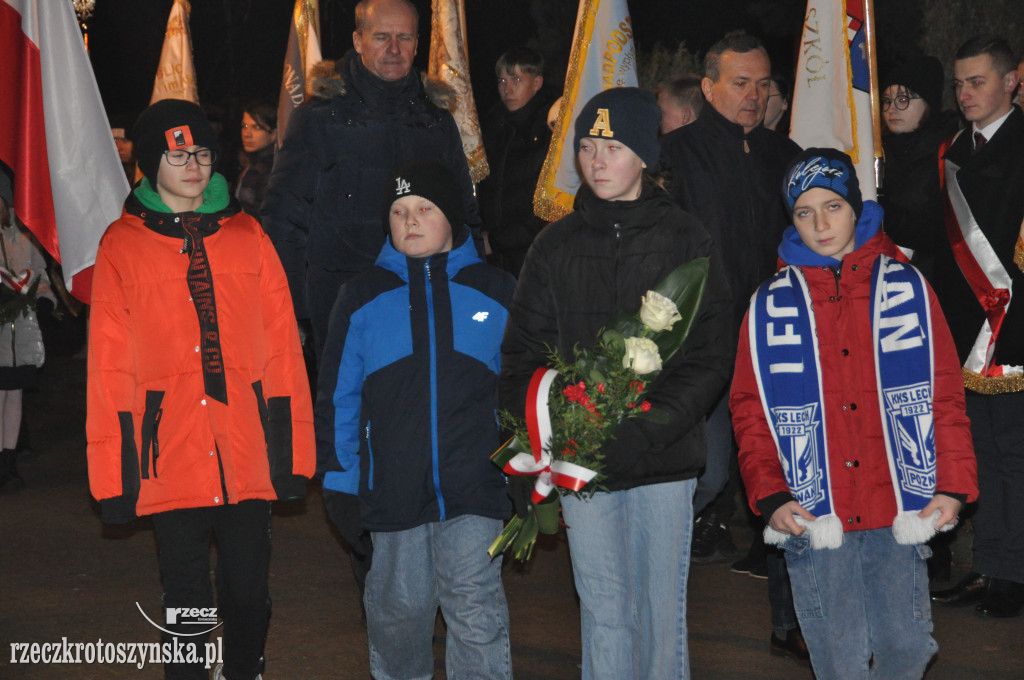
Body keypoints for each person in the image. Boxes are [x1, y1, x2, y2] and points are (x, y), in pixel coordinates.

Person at [501, 87, 733, 680]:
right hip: (584, 462)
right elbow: (522, 352)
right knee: (604, 608)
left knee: (659, 612)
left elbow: (708, 354)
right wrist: (544, 437)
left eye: (612, 146)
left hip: (662, 459)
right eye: (585, 147)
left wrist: (648, 428)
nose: (596, 161)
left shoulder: (687, 239)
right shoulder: (554, 245)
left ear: (645, 156)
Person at [86, 99, 316, 680]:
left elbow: (284, 349)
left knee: (246, 592)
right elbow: (110, 369)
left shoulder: (247, 237)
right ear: (149, 162)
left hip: (247, 446)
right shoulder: (122, 245)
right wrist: (115, 475)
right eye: (177, 152)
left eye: (202, 151)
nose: (193, 163)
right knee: (186, 599)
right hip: (171, 452)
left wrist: (291, 453)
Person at [731, 148, 978, 679]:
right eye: (804, 212)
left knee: (907, 647)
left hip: (898, 504)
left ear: (857, 208)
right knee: (839, 660)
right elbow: (750, 409)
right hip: (817, 512)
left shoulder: (907, 287)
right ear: (790, 218)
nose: (820, 223)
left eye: (833, 207)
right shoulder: (770, 303)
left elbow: (944, 393)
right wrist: (768, 491)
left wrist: (953, 483)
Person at [317, 160, 514, 679]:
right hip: (392, 491)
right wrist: (340, 484)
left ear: (453, 216)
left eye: (424, 209)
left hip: (475, 484)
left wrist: (522, 472)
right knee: (398, 615)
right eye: (399, 212)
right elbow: (338, 396)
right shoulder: (363, 296)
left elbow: (521, 390)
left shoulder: (494, 290)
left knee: (475, 611)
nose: (410, 220)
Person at [660, 30, 806, 661]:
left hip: (780, 349)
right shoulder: (672, 158)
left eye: (763, 83)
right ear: (709, 87)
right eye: (740, 83)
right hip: (703, 349)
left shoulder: (787, 155)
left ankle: (793, 620)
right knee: (706, 474)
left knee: (792, 484)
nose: (754, 95)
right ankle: (656, 605)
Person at [261, 0, 479, 359]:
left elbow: (464, 212)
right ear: (358, 40)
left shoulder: (435, 119)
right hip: (342, 303)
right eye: (381, 37)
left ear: (417, 42)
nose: (394, 49)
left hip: (423, 295)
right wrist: (292, 311)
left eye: (404, 37)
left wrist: (473, 283)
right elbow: (284, 218)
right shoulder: (319, 118)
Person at [929, 36, 1024, 619]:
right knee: (980, 453)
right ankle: (989, 565)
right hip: (965, 330)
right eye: (959, 83)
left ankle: (1013, 572)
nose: (965, 94)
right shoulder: (950, 149)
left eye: (978, 82)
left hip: (1015, 327)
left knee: (1014, 454)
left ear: (1012, 80)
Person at [879, 53, 959, 280]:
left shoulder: (946, 153)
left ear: (928, 103)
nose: (892, 109)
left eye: (903, 100)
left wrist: (883, 210)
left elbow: (937, 230)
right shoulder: (878, 152)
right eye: (886, 101)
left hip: (929, 280)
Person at [0, 166, 56, 494]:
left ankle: (9, 463)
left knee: (14, 397)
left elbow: (40, 276)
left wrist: (46, 300)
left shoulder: (22, 237)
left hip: (20, 335)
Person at [478, 46, 553, 276]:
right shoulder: (491, 126)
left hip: (534, 258)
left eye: (517, 80)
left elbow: (546, 207)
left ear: (537, 83)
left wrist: (497, 241)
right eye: (502, 80)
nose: (507, 89)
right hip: (493, 257)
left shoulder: (550, 130)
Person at [235, 101, 277, 219]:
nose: (247, 134)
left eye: (256, 127)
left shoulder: (272, 169)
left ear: (273, 134)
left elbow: (265, 217)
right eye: (244, 126)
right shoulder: (254, 164)